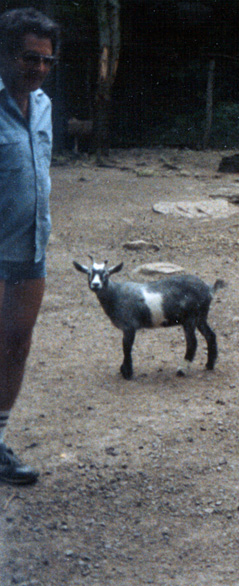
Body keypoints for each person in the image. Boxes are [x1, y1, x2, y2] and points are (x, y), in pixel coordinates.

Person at [0, 7, 60, 485]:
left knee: (16, 346)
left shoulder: (43, 105)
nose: (38, 68)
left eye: (46, 60)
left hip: (30, 247)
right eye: (28, 58)